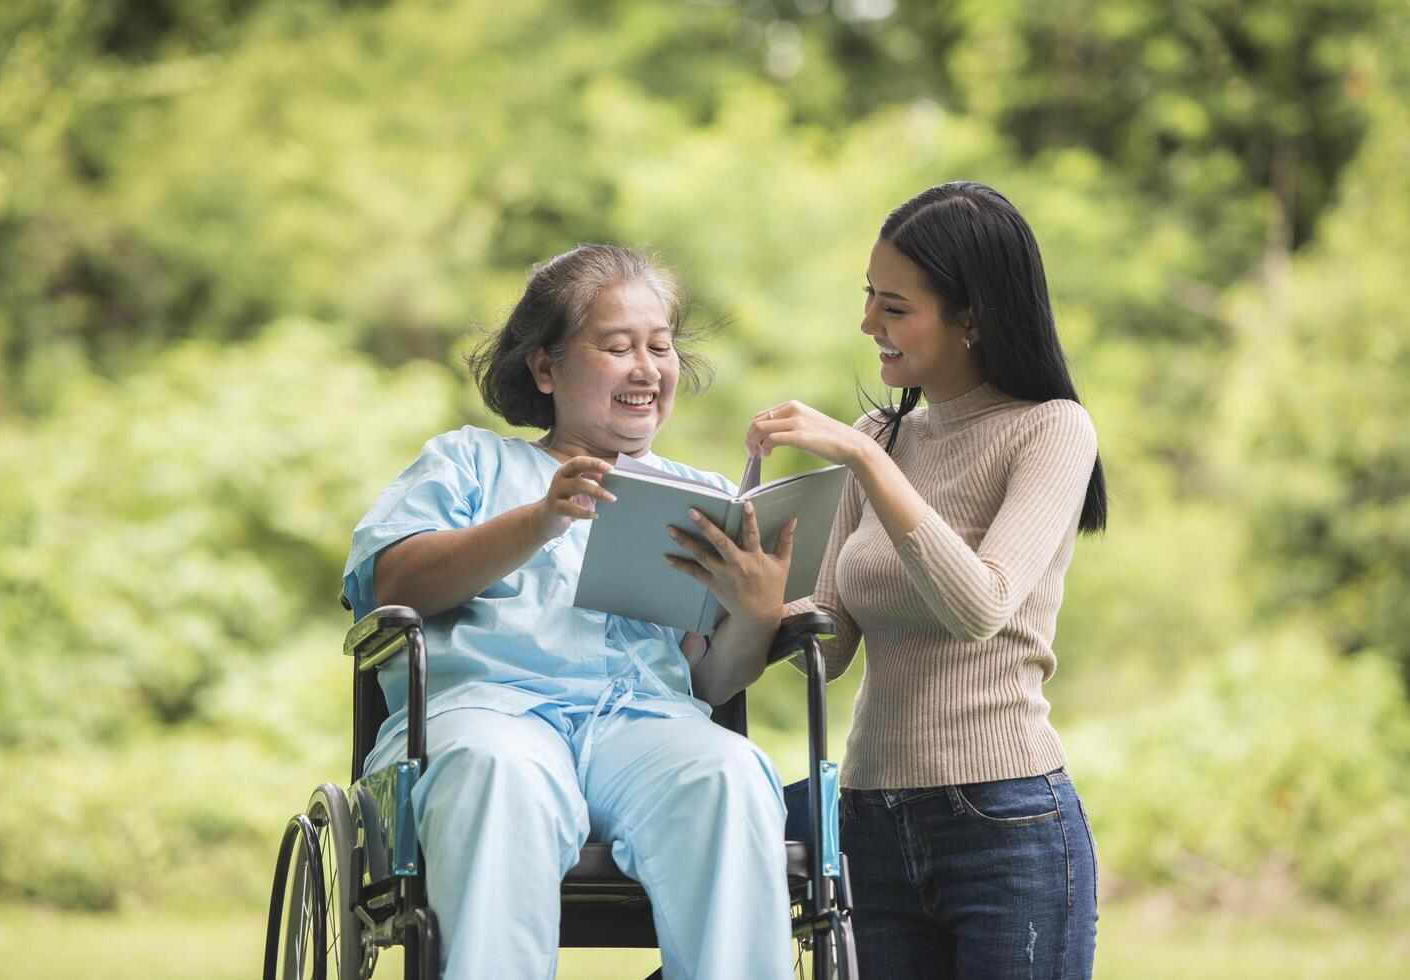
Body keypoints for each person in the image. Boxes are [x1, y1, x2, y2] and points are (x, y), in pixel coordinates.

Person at [341, 244, 797, 980]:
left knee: (730, 772)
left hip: (642, 724)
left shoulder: (698, 494)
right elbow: (393, 583)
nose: (646, 368)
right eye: (617, 347)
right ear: (545, 368)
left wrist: (752, 612)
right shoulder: (469, 463)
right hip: (491, 713)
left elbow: (711, 683)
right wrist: (540, 519)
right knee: (498, 772)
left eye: (659, 347)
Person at [741, 181, 1106, 978]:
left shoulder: (1049, 429)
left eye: (894, 306)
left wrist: (866, 461)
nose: (868, 322)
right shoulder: (883, 433)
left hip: (1004, 820)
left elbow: (981, 603)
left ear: (972, 318)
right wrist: (746, 590)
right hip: (871, 817)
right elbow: (829, 644)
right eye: (869, 297)